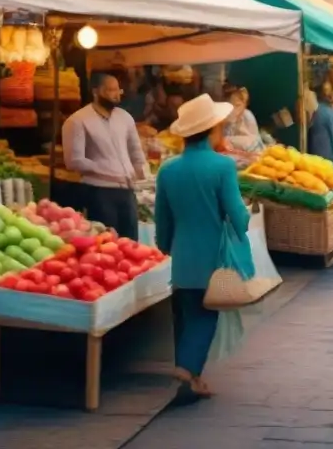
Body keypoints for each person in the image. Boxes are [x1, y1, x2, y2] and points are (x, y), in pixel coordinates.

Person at [155, 94, 253, 405]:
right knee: (205, 317)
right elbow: (236, 213)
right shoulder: (222, 166)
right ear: (212, 129)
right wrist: (245, 219)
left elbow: (162, 220)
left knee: (188, 314)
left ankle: (195, 379)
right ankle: (185, 369)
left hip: (182, 257)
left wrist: (165, 246)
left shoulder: (167, 170)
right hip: (213, 257)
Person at [62, 72, 147, 240]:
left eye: (118, 90)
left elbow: (136, 151)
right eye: (110, 90)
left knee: (131, 242)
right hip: (99, 191)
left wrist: (140, 174)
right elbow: (73, 161)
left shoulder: (125, 118)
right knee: (107, 243)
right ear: (96, 91)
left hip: (127, 191)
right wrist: (108, 171)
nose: (116, 95)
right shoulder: (77, 121)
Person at [222, 87, 264, 153]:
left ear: (245, 105)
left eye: (238, 105)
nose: (233, 110)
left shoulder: (247, 116)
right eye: (230, 105)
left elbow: (255, 140)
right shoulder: (221, 117)